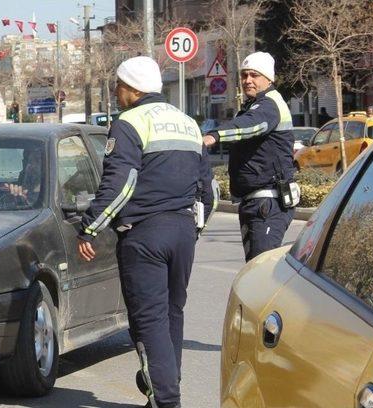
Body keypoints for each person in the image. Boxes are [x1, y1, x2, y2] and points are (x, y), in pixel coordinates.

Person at [77, 56, 215, 408]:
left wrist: (90, 227)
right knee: (173, 311)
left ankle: (166, 399)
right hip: (183, 229)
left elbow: (120, 183)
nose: (116, 93)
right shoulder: (187, 122)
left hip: (144, 234)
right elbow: (208, 190)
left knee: (149, 319)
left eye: (117, 87)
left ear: (132, 89)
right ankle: (166, 386)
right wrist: (194, 226)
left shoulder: (129, 122)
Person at [203, 51, 297, 262]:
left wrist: (214, 136)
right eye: (244, 75)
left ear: (268, 78)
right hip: (255, 202)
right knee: (254, 269)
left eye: (254, 75)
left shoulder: (269, 105)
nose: (248, 80)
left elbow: (251, 126)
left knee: (260, 271)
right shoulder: (254, 105)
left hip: (268, 202)